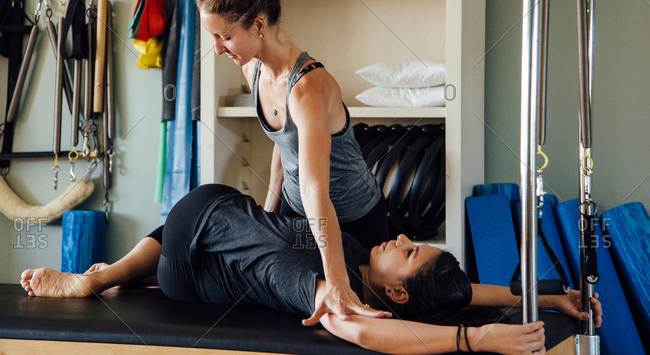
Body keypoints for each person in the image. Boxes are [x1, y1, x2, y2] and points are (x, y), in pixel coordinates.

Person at [20, 184, 602, 355]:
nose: (399, 236)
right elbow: (448, 292)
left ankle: (105, 275)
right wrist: (547, 300)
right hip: (196, 237)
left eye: (408, 248)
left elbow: (362, 329)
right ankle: (105, 275)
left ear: (394, 291)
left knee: (246, 232)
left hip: (189, 250)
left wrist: (477, 341)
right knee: (261, 223)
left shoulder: (319, 282)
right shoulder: (351, 250)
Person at [195, 0, 390, 325]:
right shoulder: (252, 68)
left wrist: (336, 278)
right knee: (276, 294)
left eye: (225, 37)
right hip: (300, 212)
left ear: (260, 24)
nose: (218, 49)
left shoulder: (307, 88)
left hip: (351, 221)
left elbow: (317, 189)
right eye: (214, 38)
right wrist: (266, 215)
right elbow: (285, 147)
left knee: (340, 314)